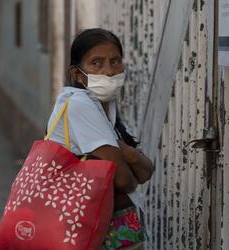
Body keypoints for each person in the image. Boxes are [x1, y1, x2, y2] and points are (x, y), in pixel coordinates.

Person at [46, 28, 154, 249]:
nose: (109, 70)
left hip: (114, 222)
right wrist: (130, 162)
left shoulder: (106, 106)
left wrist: (126, 153)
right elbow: (126, 180)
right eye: (97, 63)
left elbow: (146, 172)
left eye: (115, 61)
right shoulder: (78, 104)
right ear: (77, 74)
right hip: (94, 225)